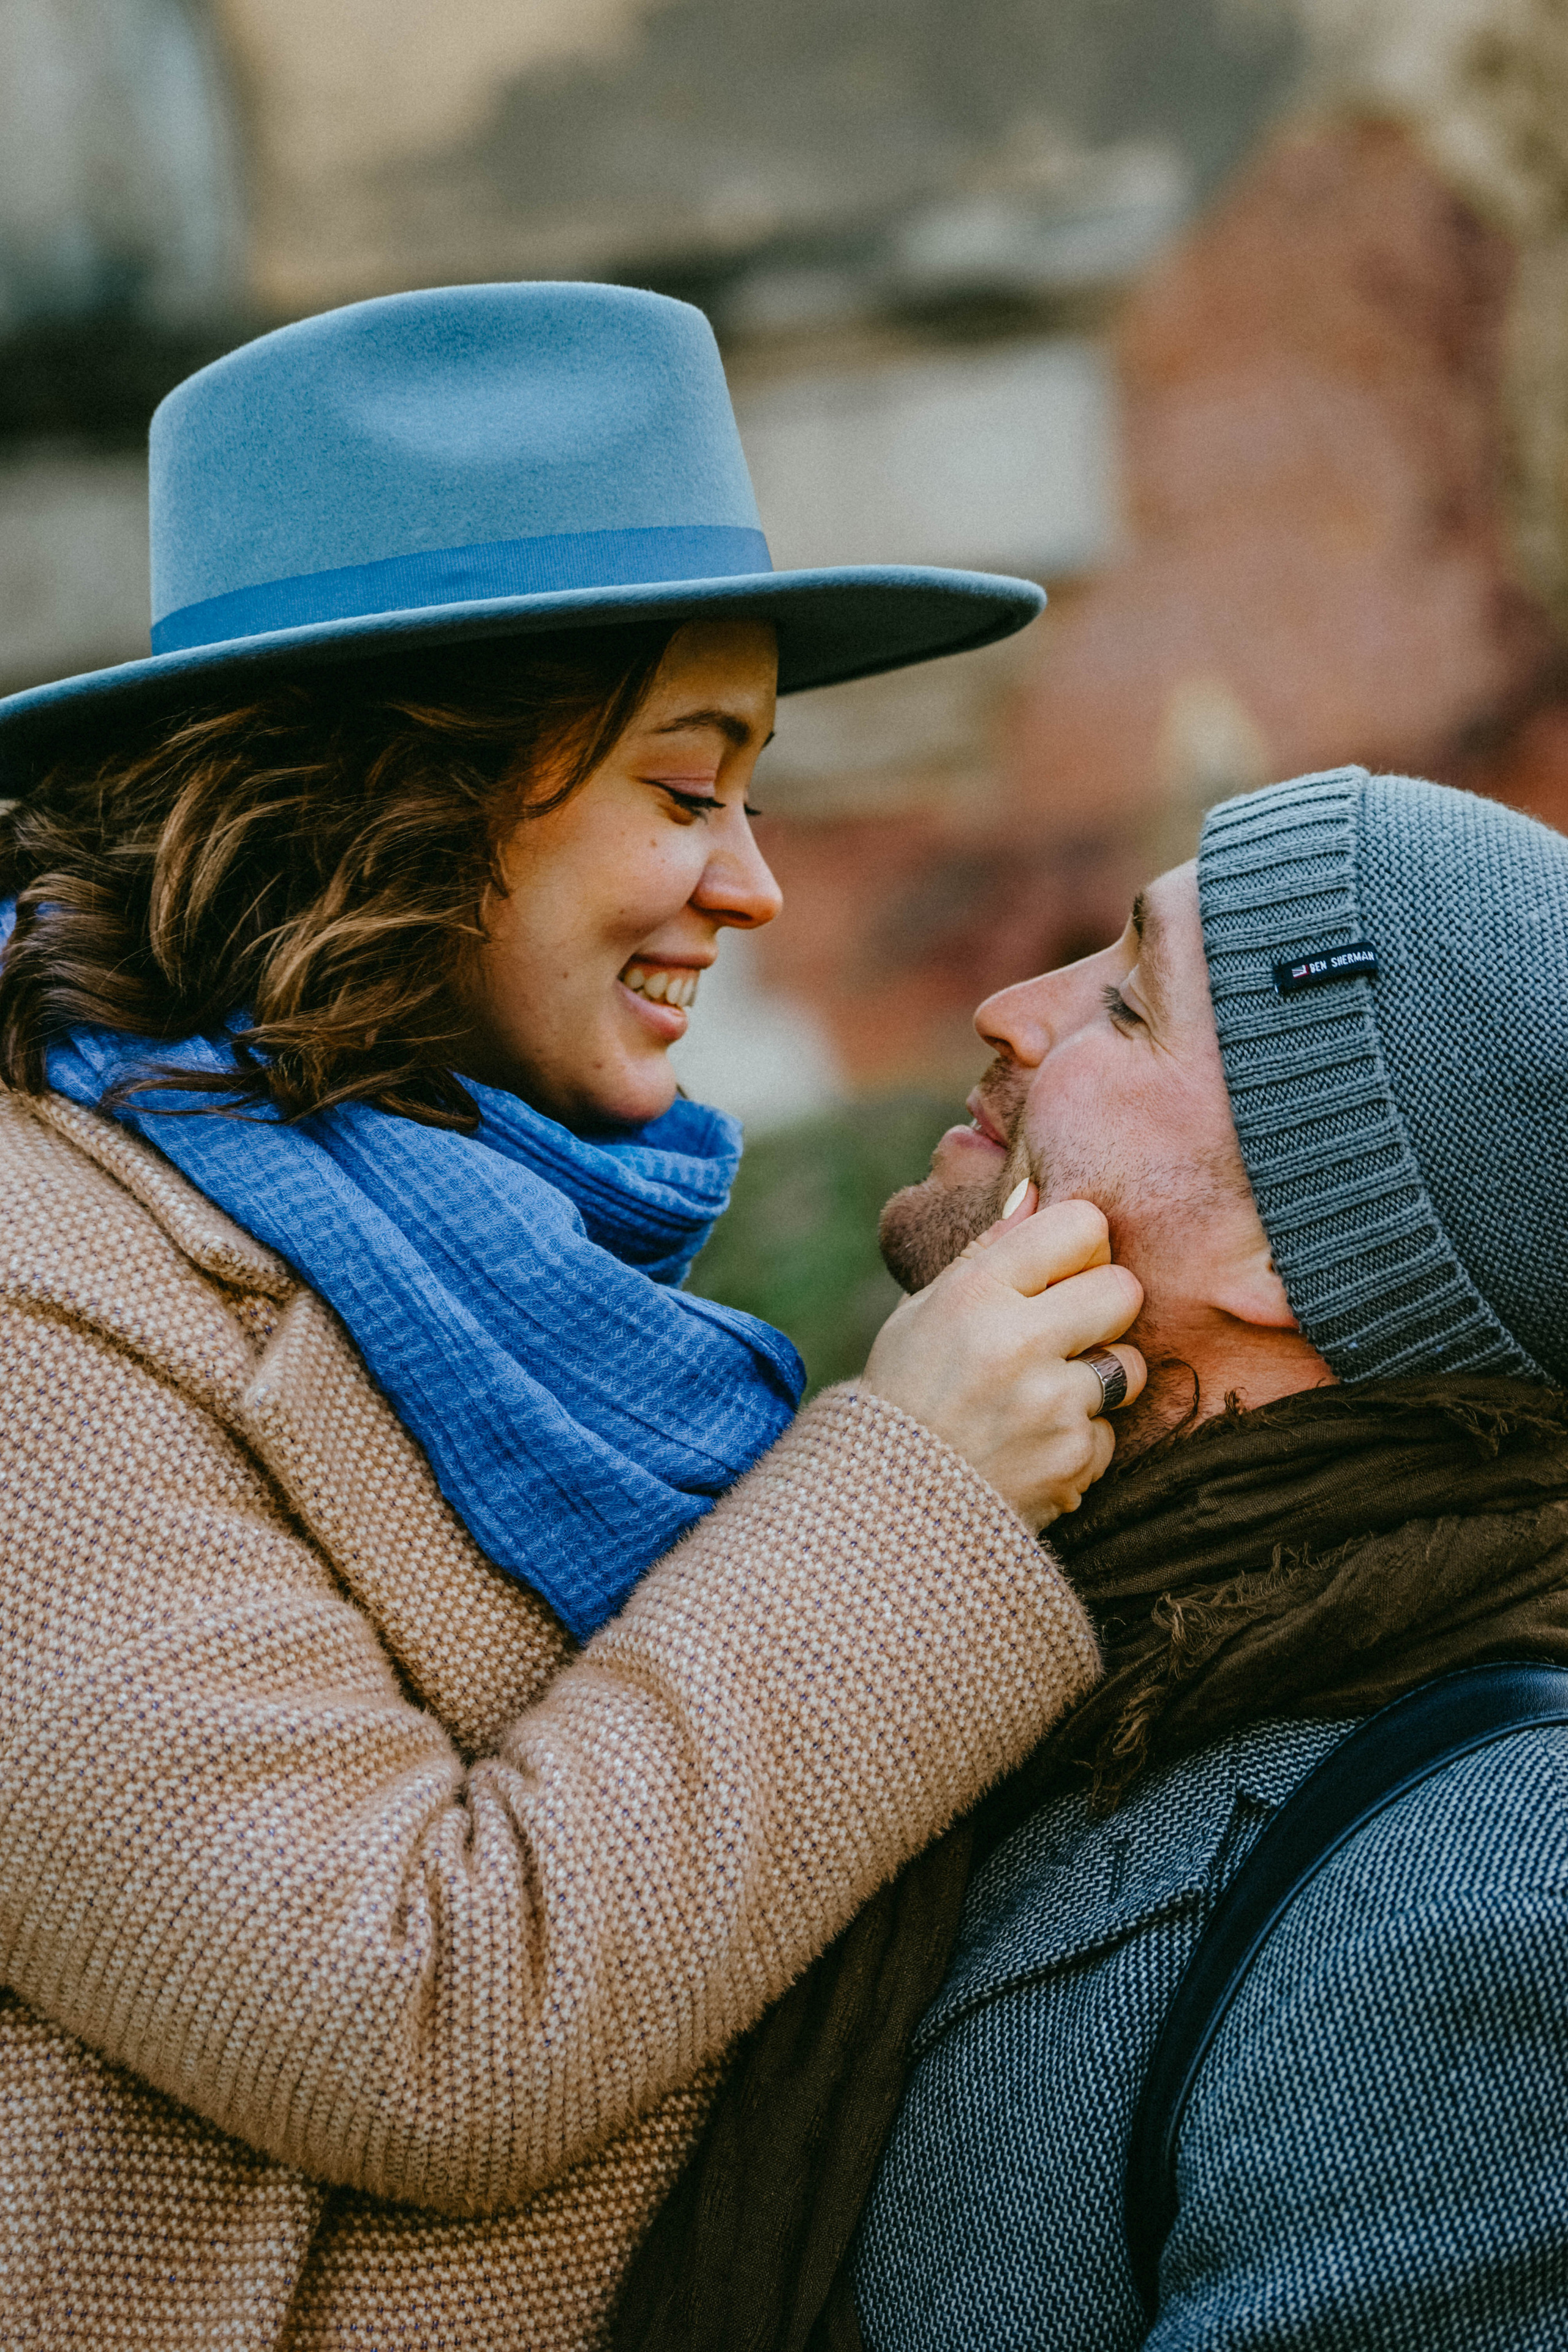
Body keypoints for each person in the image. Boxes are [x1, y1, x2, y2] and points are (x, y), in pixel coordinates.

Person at [0, 282, 1148, 2349]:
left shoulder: (499, 1247)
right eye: (684, 788)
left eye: (759, 792)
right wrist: (917, 1488)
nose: (757, 885)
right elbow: (410, 2020)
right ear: (408, 800)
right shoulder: (38, 1293)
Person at [850, 764, 1568, 2350]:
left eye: (1124, 1004)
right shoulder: (1016, 1661)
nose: (1009, 1010)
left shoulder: (1496, 1893)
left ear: (1296, 1241)